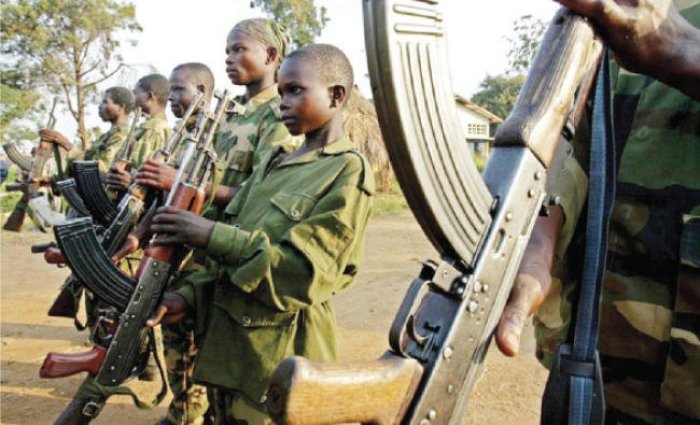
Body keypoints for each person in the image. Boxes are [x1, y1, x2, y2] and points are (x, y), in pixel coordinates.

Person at [146, 43, 375, 425]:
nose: (283, 101)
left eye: (296, 90)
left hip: (280, 364)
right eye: (281, 90)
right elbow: (229, 259)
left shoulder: (347, 171)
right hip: (230, 353)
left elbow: (302, 275)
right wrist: (188, 297)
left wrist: (209, 234)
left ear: (336, 96)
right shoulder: (274, 162)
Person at [496, 0, 700, 423]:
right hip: (596, 380)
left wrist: (683, 50)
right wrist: (535, 247)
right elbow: (574, 151)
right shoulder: (621, 19)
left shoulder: (666, 26)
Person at [40, 86, 135, 173]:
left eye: (105, 102)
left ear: (120, 107)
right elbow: (86, 159)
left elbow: (101, 169)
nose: (100, 106)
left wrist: (66, 144)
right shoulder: (108, 135)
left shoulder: (123, 136)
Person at [105, 73, 173, 193]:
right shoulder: (148, 126)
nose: (133, 98)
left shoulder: (155, 129)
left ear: (150, 96)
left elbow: (143, 170)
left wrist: (128, 178)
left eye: (135, 93)